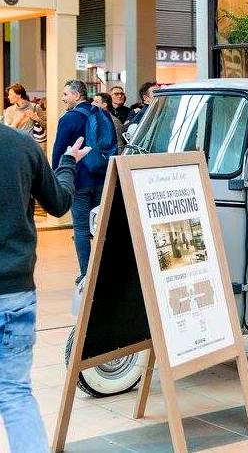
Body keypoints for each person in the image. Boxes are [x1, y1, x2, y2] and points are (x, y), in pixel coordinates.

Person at [0, 122, 90, 453]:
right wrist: (68, 162)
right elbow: (59, 203)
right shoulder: (22, 145)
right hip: (15, 291)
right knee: (14, 391)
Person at [51, 80, 109, 281]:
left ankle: (87, 274)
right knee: (101, 227)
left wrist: (57, 178)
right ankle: (104, 271)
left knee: (82, 228)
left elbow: (59, 152)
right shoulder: (102, 114)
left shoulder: (69, 119)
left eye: (65, 94)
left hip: (79, 180)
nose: (63, 98)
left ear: (76, 96)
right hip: (102, 177)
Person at [4, 83, 47, 149]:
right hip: (16, 146)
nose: (8, 97)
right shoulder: (9, 110)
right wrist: (18, 121)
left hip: (33, 146)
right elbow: (7, 132)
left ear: (19, 95)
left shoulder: (35, 107)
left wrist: (37, 119)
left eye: (10, 94)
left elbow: (46, 126)